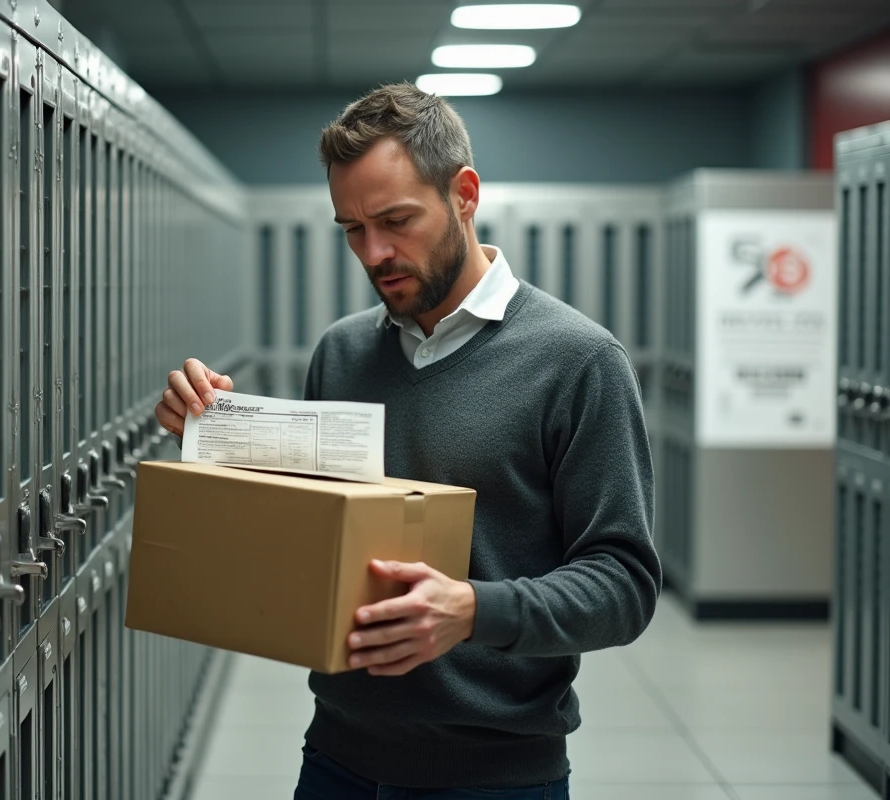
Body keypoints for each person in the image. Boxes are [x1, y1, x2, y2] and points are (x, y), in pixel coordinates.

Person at [154, 83, 661, 800]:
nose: (375, 252)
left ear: (464, 194)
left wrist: (474, 610)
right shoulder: (341, 352)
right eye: (352, 229)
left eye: (396, 220)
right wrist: (216, 437)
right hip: (337, 757)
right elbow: (305, 538)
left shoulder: (577, 361)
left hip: (497, 776)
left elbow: (625, 583)